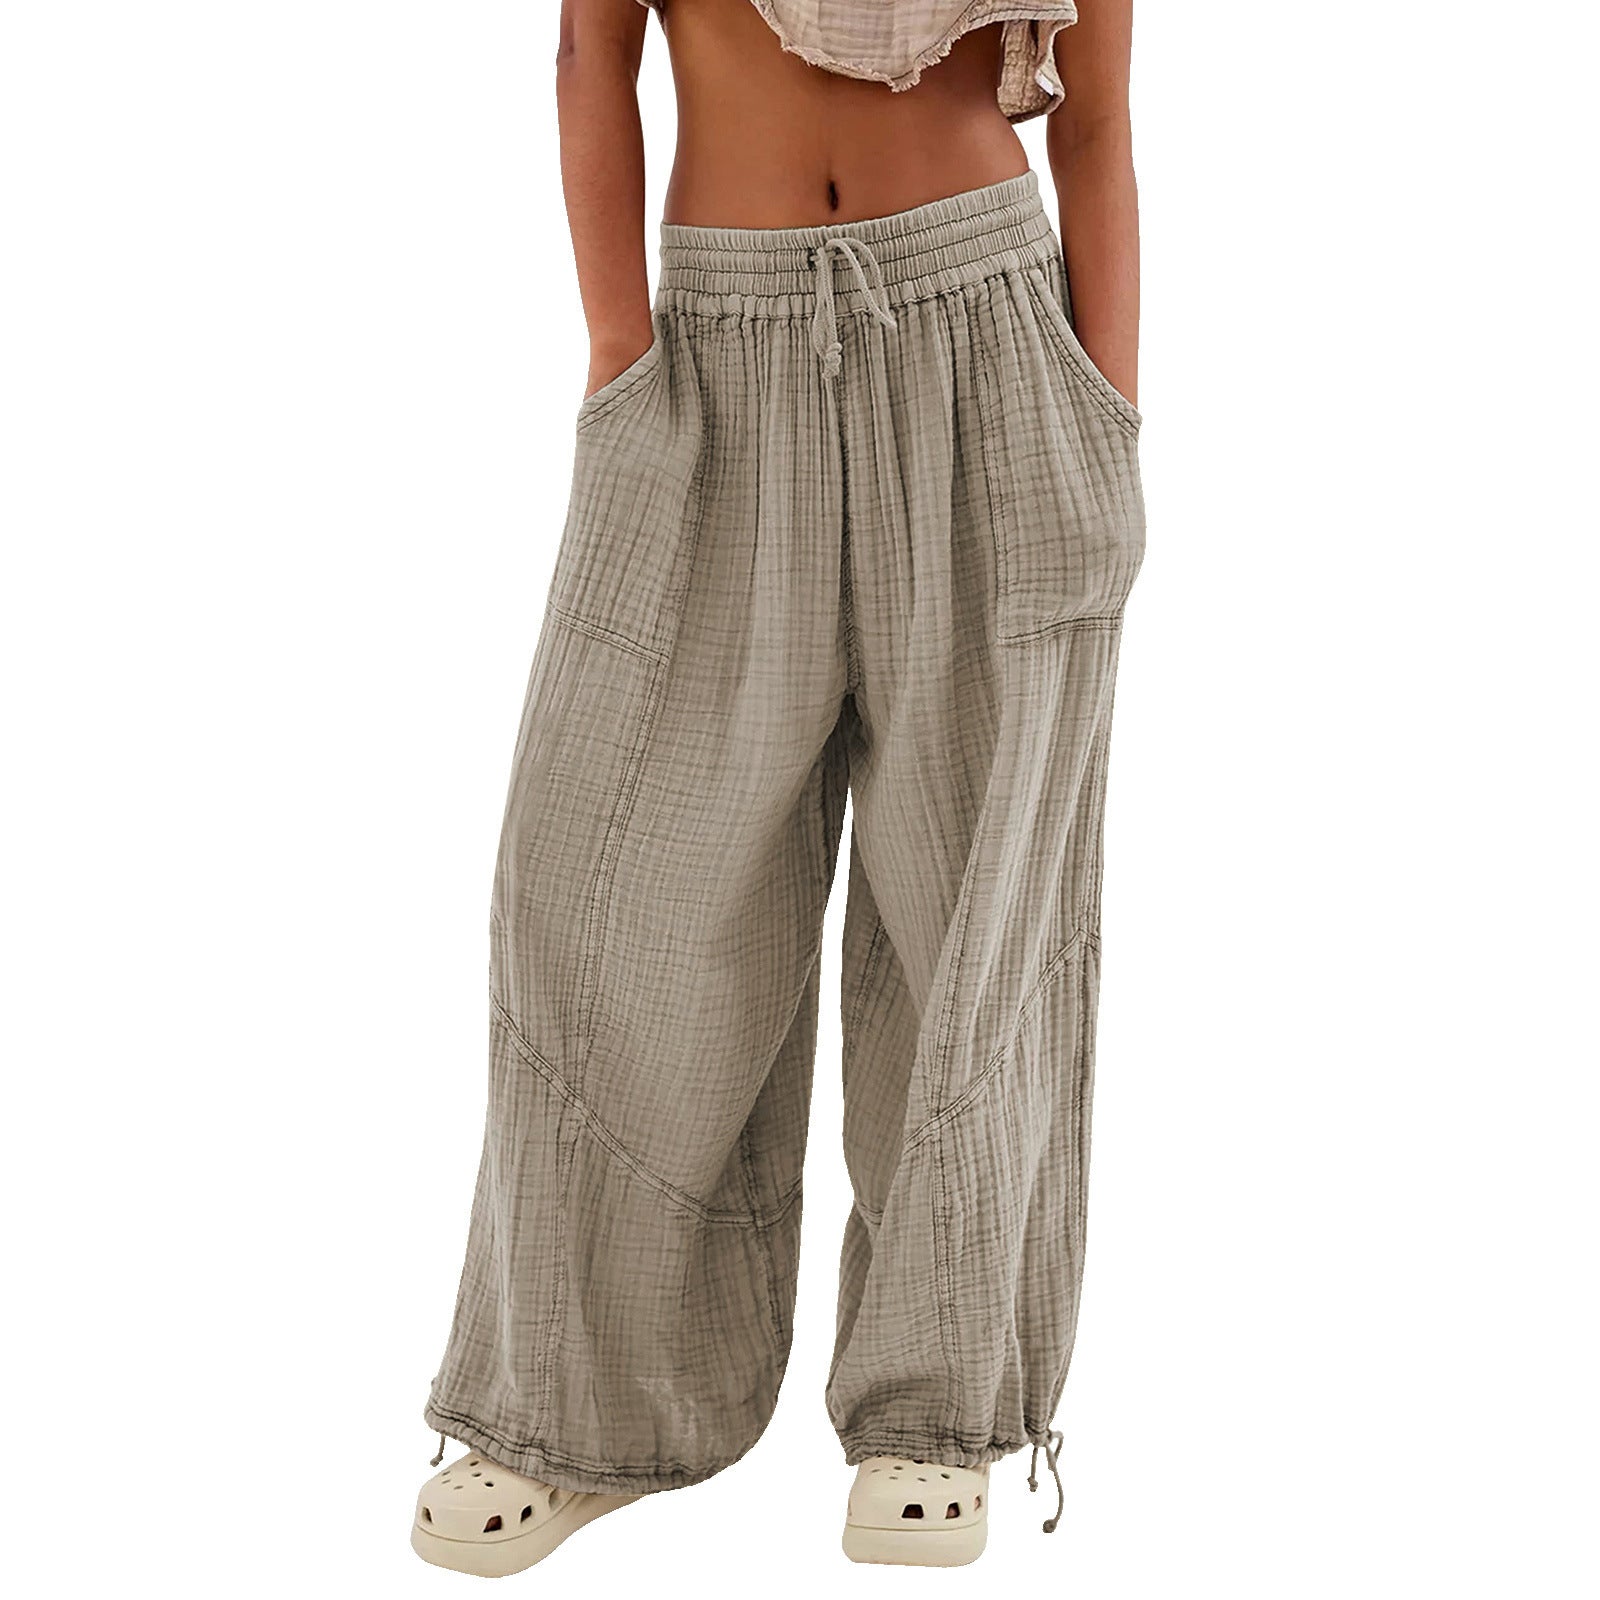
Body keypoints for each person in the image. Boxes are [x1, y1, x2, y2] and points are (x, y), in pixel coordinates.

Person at [412, 0, 1144, 1573]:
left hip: (990, 327)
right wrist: (620, 348)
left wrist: (1108, 415)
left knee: (973, 905)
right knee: (601, 898)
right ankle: (580, 1410)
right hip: (716, 343)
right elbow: (590, 49)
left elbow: (1094, 113)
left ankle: (934, 1419)